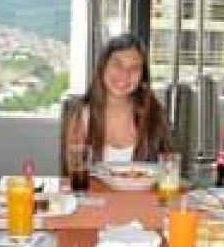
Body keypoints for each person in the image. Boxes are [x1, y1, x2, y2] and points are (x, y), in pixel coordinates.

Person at [64, 33, 172, 168]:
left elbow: (169, 169)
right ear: (103, 67)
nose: (125, 74)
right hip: (95, 190)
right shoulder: (83, 116)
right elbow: (75, 174)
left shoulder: (154, 114)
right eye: (117, 65)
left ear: (142, 77)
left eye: (134, 68)